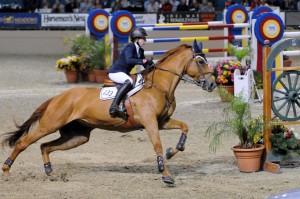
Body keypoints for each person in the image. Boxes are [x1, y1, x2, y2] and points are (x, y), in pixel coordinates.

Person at [107, 28, 153, 118]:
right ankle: (114, 106)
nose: (145, 41)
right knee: (129, 81)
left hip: (124, 73)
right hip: (116, 72)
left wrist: (151, 64)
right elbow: (129, 60)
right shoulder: (130, 46)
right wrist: (142, 61)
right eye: (143, 38)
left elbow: (145, 65)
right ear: (136, 39)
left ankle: (125, 105)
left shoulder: (140, 51)